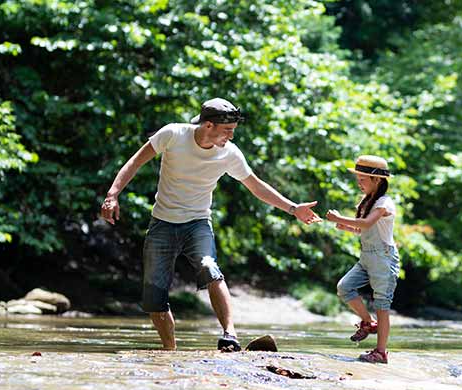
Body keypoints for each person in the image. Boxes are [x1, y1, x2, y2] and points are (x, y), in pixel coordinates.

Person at [100, 98, 321, 351]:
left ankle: (230, 336)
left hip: (197, 223)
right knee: (153, 296)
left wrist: (293, 208)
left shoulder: (229, 153)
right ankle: (169, 351)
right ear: (208, 125)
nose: (231, 136)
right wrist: (112, 194)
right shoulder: (173, 134)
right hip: (162, 222)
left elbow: (256, 186)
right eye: (227, 130)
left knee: (209, 267)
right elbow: (136, 161)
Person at [326, 155, 400, 364]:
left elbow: (367, 224)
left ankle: (381, 352)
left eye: (363, 179)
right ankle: (368, 322)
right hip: (367, 257)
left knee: (382, 304)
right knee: (344, 287)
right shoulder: (367, 202)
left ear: (377, 181)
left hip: (383, 259)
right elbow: (362, 229)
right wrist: (346, 227)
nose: (359, 183)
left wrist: (339, 218)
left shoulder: (384, 203)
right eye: (358, 179)